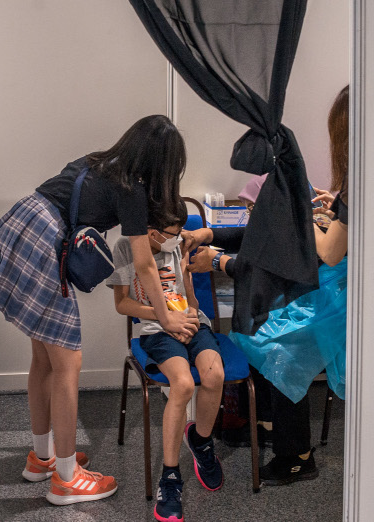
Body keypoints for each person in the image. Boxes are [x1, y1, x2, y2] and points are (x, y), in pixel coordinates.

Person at [0, 114, 194, 506]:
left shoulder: (98, 162)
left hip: (21, 222)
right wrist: (167, 316)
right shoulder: (132, 189)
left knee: (44, 357)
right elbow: (144, 263)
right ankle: (67, 478)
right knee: (68, 362)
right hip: (44, 239)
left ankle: (42, 458)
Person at [186, 85, 350, 487]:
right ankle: (270, 425)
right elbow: (263, 238)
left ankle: (297, 456)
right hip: (322, 288)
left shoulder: (337, 191)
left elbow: (323, 253)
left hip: (339, 296)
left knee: (275, 347)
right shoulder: (313, 190)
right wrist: (212, 233)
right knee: (256, 334)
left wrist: (306, 220)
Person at [108, 204, 223, 522]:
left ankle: (200, 441)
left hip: (191, 322)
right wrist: (164, 316)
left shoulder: (178, 243)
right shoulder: (125, 247)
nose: (178, 239)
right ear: (151, 231)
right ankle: (169, 480)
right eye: (172, 234)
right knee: (184, 384)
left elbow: (189, 296)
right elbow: (122, 304)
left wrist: (188, 296)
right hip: (156, 331)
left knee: (214, 376)